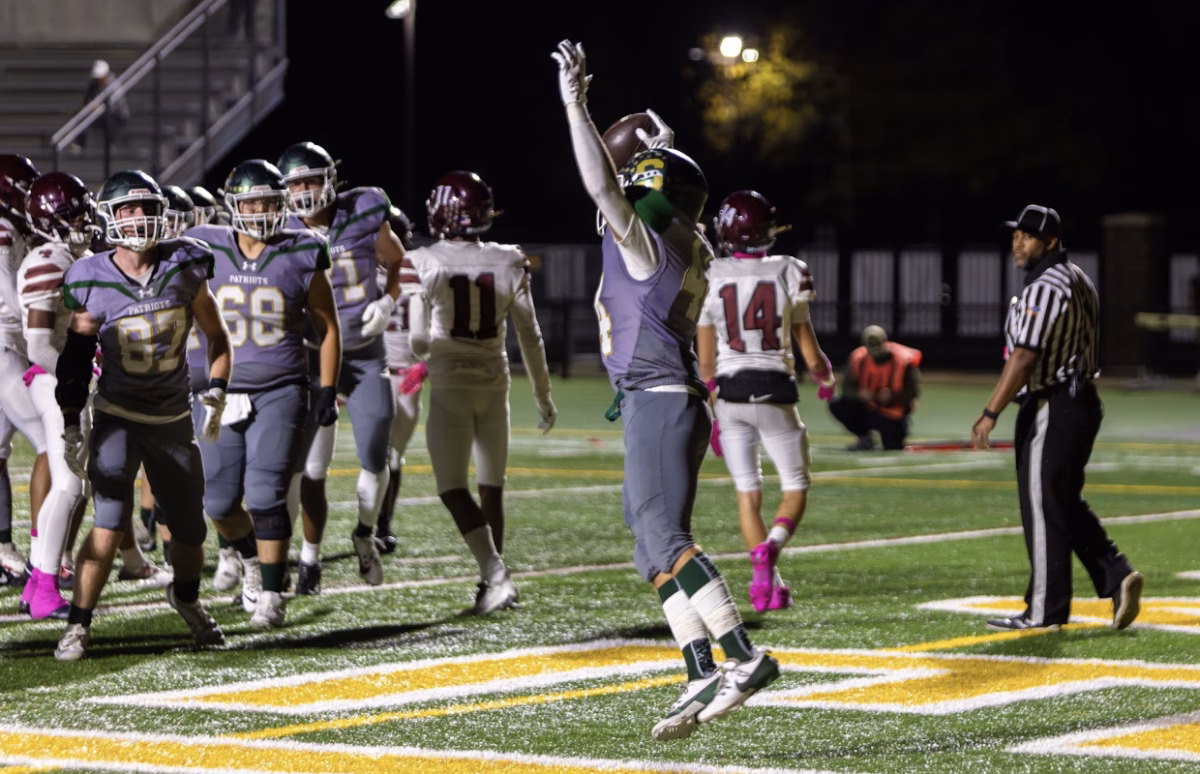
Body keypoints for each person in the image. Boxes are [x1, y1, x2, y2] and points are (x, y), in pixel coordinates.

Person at [552, 39, 779, 742]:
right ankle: (699, 670)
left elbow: (602, 188)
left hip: (658, 396)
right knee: (649, 551)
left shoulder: (651, 240)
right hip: (660, 397)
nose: (629, 190)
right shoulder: (687, 240)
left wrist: (575, 105)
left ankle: (743, 657)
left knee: (667, 540)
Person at [53, 169, 230, 660]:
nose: (138, 218)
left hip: (173, 417)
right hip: (118, 413)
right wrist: (71, 415)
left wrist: (216, 387)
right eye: (126, 209)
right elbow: (77, 353)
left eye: (145, 208)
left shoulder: (187, 263)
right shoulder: (91, 274)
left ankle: (187, 598)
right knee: (109, 519)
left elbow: (216, 336)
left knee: (191, 531)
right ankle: (78, 623)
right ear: (110, 218)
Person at [972, 204, 1144, 632]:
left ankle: (1044, 611)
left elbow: (1026, 355)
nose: (1018, 242)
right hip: (1080, 402)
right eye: (1016, 235)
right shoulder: (1078, 278)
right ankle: (1116, 574)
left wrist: (990, 412)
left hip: (1054, 403)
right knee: (1060, 501)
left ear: (1050, 243)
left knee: (1042, 505)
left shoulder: (1045, 286)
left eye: (1027, 237)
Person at [186, 159, 340, 626]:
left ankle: (273, 593)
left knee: (266, 491)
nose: (259, 210)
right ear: (232, 204)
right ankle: (252, 562)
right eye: (250, 201)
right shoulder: (205, 245)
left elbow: (328, 327)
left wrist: (328, 388)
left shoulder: (303, 249)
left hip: (281, 388)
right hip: (218, 393)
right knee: (218, 502)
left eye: (269, 202)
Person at [405, 170, 555, 615]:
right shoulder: (509, 259)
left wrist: (417, 359)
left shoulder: (425, 261)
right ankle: (492, 579)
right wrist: (544, 395)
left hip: (450, 384)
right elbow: (531, 335)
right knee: (492, 488)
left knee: (453, 488)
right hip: (495, 382)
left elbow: (414, 336)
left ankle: (495, 575)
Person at [696, 190, 836, 614]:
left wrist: (714, 411)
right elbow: (808, 348)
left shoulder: (711, 273)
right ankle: (772, 547)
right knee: (795, 486)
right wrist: (825, 377)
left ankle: (768, 586)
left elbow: (705, 361)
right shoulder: (790, 269)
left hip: (731, 394)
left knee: (747, 493)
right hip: (776, 390)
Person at [277, 141, 405, 594]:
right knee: (303, 468)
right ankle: (304, 561)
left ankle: (365, 533)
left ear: (331, 179)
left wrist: (389, 299)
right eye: (295, 183)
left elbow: (396, 259)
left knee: (376, 453)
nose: (305, 191)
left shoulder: (366, 207)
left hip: (366, 351)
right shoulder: (279, 228)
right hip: (310, 358)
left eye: (312, 179)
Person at [0, 154, 52, 605]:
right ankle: (44, 560)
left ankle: (5, 550)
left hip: (6, 344)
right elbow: (12, 303)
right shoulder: (2, 229)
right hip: (6, 345)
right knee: (51, 442)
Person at [375, 207, 420, 553]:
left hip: (404, 374)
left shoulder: (418, 272)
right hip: (373, 372)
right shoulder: (359, 274)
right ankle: (376, 524)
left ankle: (382, 524)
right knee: (381, 456)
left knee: (390, 456)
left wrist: (425, 366)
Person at [830, 325, 921, 450]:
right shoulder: (858, 359)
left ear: (885, 342)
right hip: (868, 408)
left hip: (892, 414)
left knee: (892, 446)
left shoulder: (903, 360)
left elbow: (913, 392)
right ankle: (865, 437)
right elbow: (846, 387)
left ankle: (900, 431)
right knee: (837, 404)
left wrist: (893, 396)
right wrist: (859, 394)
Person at [77, 60, 130, 151]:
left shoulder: (114, 85)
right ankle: (80, 145)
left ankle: (112, 144)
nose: (98, 80)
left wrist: (99, 107)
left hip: (117, 115)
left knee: (108, 118)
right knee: (80, 116)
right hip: (98, 114)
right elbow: (87, 100)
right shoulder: (93, 85)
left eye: (100, 77)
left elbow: (116, 106)